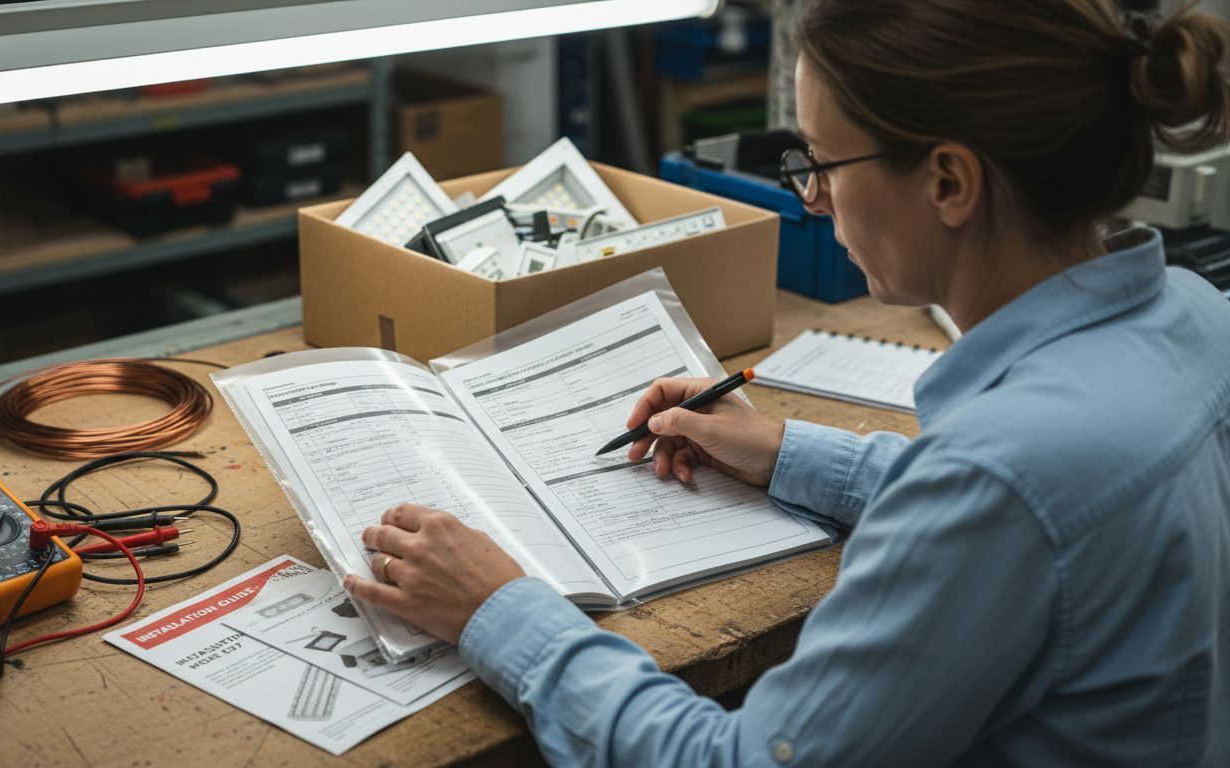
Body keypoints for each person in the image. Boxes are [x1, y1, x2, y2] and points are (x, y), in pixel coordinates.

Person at [345, 0, 1230, 764]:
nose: (812, 201)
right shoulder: (1195, 318)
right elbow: (1032, 524)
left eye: (821, 165)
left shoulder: (1004, 477)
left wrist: (497, 609)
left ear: (950, 181)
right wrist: (788, 453)